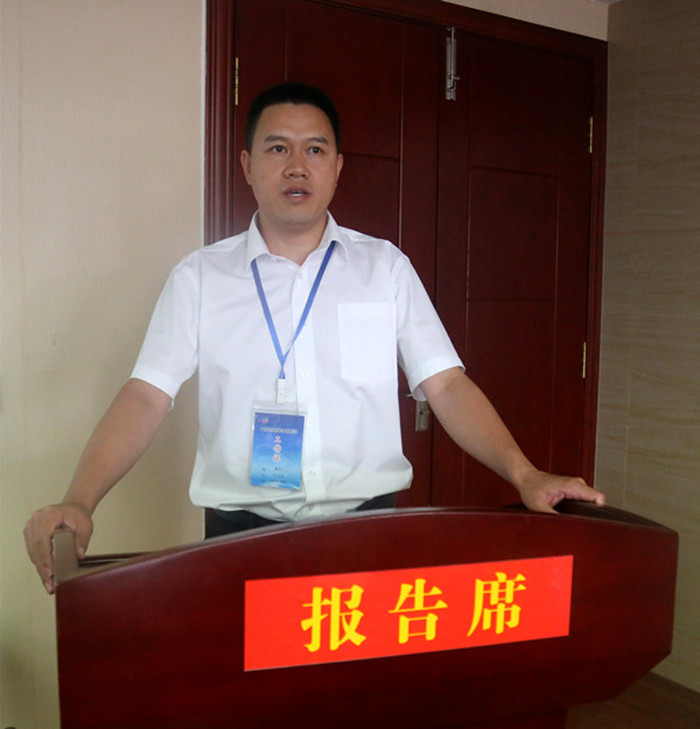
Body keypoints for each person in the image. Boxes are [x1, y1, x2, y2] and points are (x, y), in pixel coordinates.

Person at [24, 82, 605, 594]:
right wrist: (79, 499)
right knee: (245, 681)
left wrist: (525, 474)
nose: (297, 166)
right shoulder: (200, 277)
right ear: (247, 164)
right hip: (239, 539)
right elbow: (147, 394)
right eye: (278, 148)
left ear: (337, 166)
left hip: (369, 532)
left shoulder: (384, 268)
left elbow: (446, 385)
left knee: (361, 681)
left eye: (315, 150)